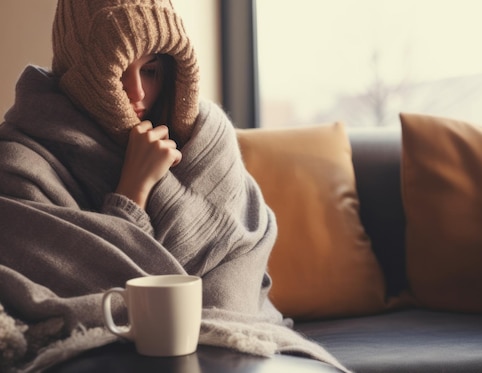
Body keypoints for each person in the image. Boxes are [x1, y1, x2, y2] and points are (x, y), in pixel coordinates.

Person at [0, 1, 348, 372]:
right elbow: (49, 287)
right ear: (80, 72)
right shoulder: (22, 160)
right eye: (115, 71)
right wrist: (132, 192)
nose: (137, 93)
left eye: (150, 70)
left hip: (236, 339)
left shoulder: (208, 140)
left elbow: (238, 274)